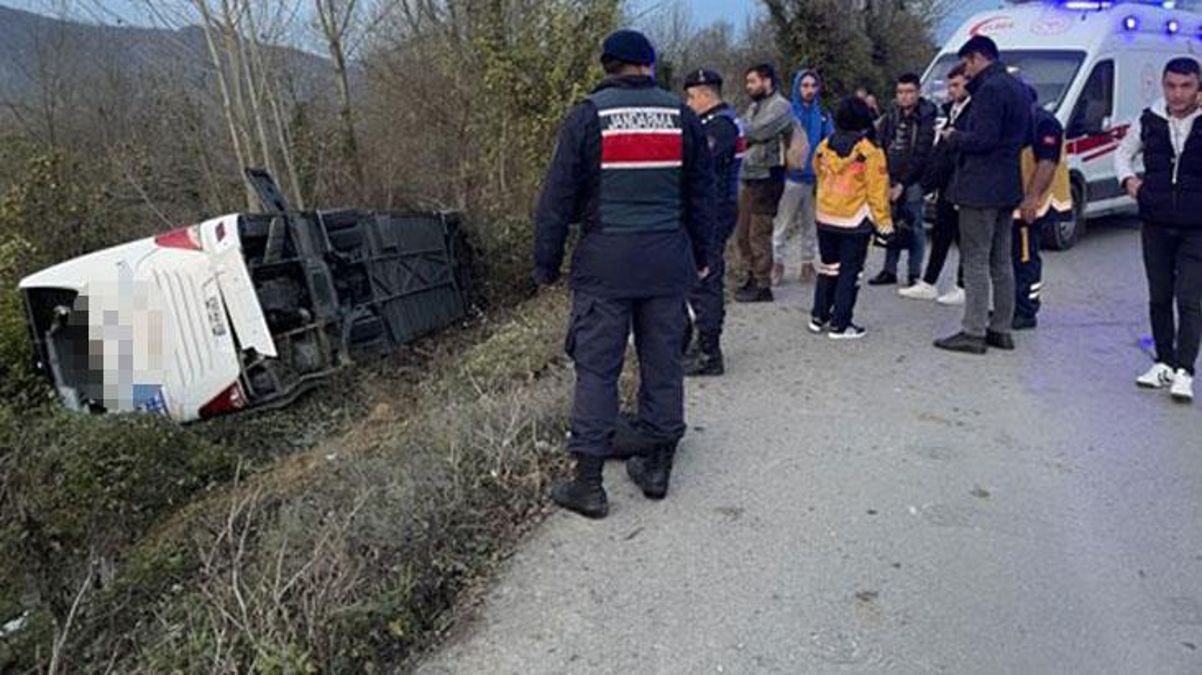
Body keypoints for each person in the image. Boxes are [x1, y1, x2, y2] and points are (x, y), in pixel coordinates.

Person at [533, 29, 716, 518]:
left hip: (604, 266)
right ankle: (656, 468)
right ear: (649, 66)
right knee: (663, 362)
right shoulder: (683, 116)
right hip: (666, 262)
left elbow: (556, 199)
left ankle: (589, 485)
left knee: (596, 369)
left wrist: (546, 263)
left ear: (608, 66)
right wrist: (704, 254)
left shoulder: (589, 115)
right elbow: (702, 195)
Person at [934, 35, 1031, 355]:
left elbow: (983, 139)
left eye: (968, 64)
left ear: (976, 58)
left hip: (980, 187)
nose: (967, 72)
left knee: (975, 259)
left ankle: (973, 331)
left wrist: (953, 136)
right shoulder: (1018, 87)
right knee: (1001, 260)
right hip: (1008, 185)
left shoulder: (989, 90)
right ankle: (1001, 328)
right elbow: (1025, 136)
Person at [1116, 56, 1202, 403]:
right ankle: (1163, 361)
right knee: (1159, 296)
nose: (1177, 94)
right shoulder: (1149, 120)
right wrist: (1130, 182)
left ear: (1198, 87)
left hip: (1197, 227)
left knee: (1190, 299)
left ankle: (1185, 370)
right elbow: (1122, 153)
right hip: (1155, 222)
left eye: (1186, 86)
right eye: (1171, 86)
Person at [809, 96, 894, 339]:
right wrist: (884, 223)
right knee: (850, 272)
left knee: (828, 267)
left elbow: (818, 172)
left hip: (825, 216)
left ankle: (819, 316)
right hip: (855, 219)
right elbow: (877, 191)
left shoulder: (825, 146)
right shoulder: (870, 151)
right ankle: (841, 324)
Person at [682, 68, 744, 377]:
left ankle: (709, 352)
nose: (689, 103)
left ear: (707, 94)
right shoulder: (717, 122)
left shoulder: (720, 127)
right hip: (714, 209)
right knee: (698, 279)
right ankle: (700, 343)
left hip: (716, 211)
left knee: (705, 278)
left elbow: (698, 161)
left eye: (692, 97)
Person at [907, 63, 970, 305]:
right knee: (941, 234)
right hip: (946, 185)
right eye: (949, 85)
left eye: (956, 85)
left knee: (965, 238)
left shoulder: (972, 111)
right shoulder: (951, 111)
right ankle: (929, 282)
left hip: (963, 185)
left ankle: (963, 286)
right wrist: (928, 183)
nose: (950, 90)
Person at [1011, 85, 1072, 331]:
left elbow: (1047, 163)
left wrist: (1031, 198)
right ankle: (1014, 302)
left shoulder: (1045, 123)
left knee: (1026, 258)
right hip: (1018, 201)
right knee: (1014, 256)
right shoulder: (1024, 120)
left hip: (1034, 203)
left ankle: (1026, 309)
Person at [869, 72, 937, 288]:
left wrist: (902, 184)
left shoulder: (926, 116)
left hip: (914, 180)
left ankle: (914, 273)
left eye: (909, 92)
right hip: (889, 175)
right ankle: (889, 270)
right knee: (891, 223)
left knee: (915, 225)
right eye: (900, 92)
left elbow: (921, 153)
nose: (904, 97)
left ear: (918, 93)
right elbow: (880, 141)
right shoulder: (892, 114)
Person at [735, 63, 793, 303]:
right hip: (751, 175)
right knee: (743, 232)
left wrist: (742, 130)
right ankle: (751, 276)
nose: (749, 87)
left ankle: (762, 284)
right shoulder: (755, 106)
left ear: (767, 81)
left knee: (758, 232)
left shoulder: (780, 106)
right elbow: (745, 129)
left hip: (768, 176)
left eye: (753, 81)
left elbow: (757, 131)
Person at [772, 69, 833, 286]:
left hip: (814, 179)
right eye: (805, 86)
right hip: (790, 177)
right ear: (798, 87)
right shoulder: (787, 113)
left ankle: (807, 265)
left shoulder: (823, 115)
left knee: (811, 226)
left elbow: (829, 143)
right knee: (783, 225)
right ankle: (777, 265)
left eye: (813, 86)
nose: (809, 90)